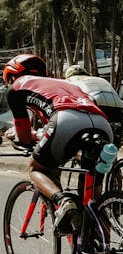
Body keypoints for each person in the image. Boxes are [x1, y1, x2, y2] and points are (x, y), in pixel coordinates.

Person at [2, 53, 114, 234]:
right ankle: (103, 248)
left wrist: (18, 135)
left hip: (65, 120)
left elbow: (25, 138)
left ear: (13, 76)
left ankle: (63, 201)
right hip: (102, 124)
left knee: (37, 169)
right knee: (93, 200)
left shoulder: (16, 87)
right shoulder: (63, 84)